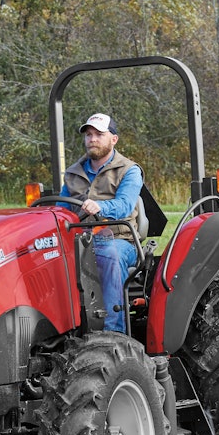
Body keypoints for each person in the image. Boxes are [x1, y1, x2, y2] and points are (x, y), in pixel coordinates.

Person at [60, 113, 143, 333]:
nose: (92, 139)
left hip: (120, 239)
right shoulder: (73, 173)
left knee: (107, 253)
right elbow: (61, 209)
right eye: (89, 135)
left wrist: (100, 207)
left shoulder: (129, 170)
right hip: (80, 240)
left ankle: (113, 332)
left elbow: (125, 205)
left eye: (99, 134)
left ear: (113, 139)